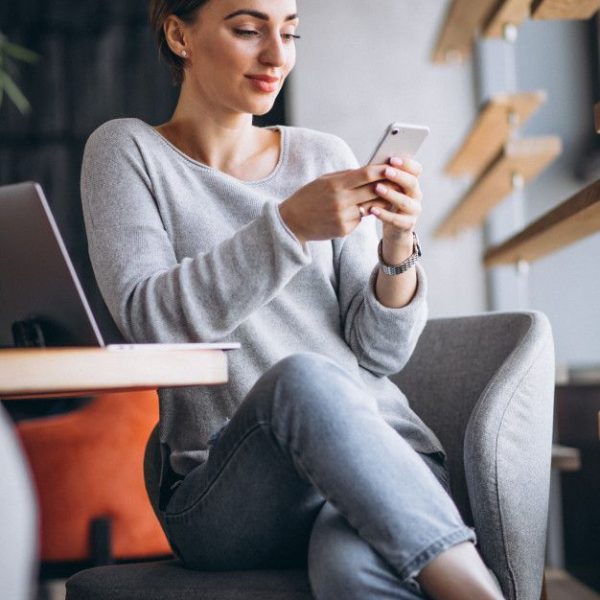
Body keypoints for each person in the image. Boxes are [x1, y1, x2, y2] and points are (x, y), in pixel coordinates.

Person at [80, 1, 504, 598]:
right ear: (180, 35)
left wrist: (397, 241)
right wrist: (288, 228)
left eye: (291, 32)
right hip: (228, 493)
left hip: (381, 457)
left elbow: (381, 354)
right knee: (301, 378)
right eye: (249, 30)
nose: (278, 56)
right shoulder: (128, 152)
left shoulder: (322, 156)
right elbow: (152, 321)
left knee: (350, 574)